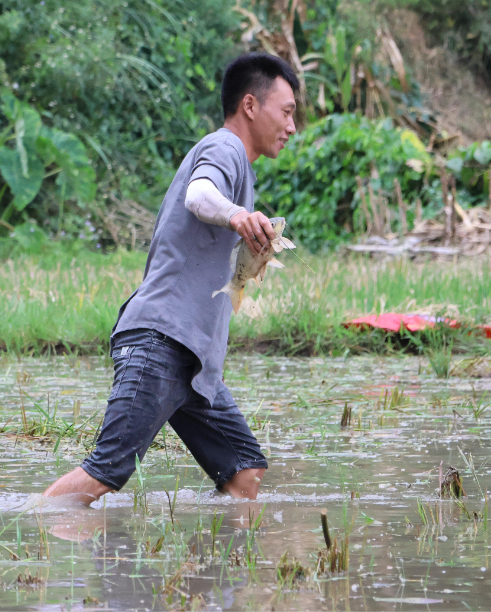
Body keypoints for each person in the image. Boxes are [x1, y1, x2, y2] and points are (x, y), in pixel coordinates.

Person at [42, 53, 299, 503]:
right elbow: (200, 195)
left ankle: (213, 568)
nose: (292, 126)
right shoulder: (225, 148)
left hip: (194, 360)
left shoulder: (241, 167)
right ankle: (23, 527)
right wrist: (238, 216)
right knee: (105, 472)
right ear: (251, 106)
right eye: (287, 112)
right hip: (162, 342)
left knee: (245, 471)